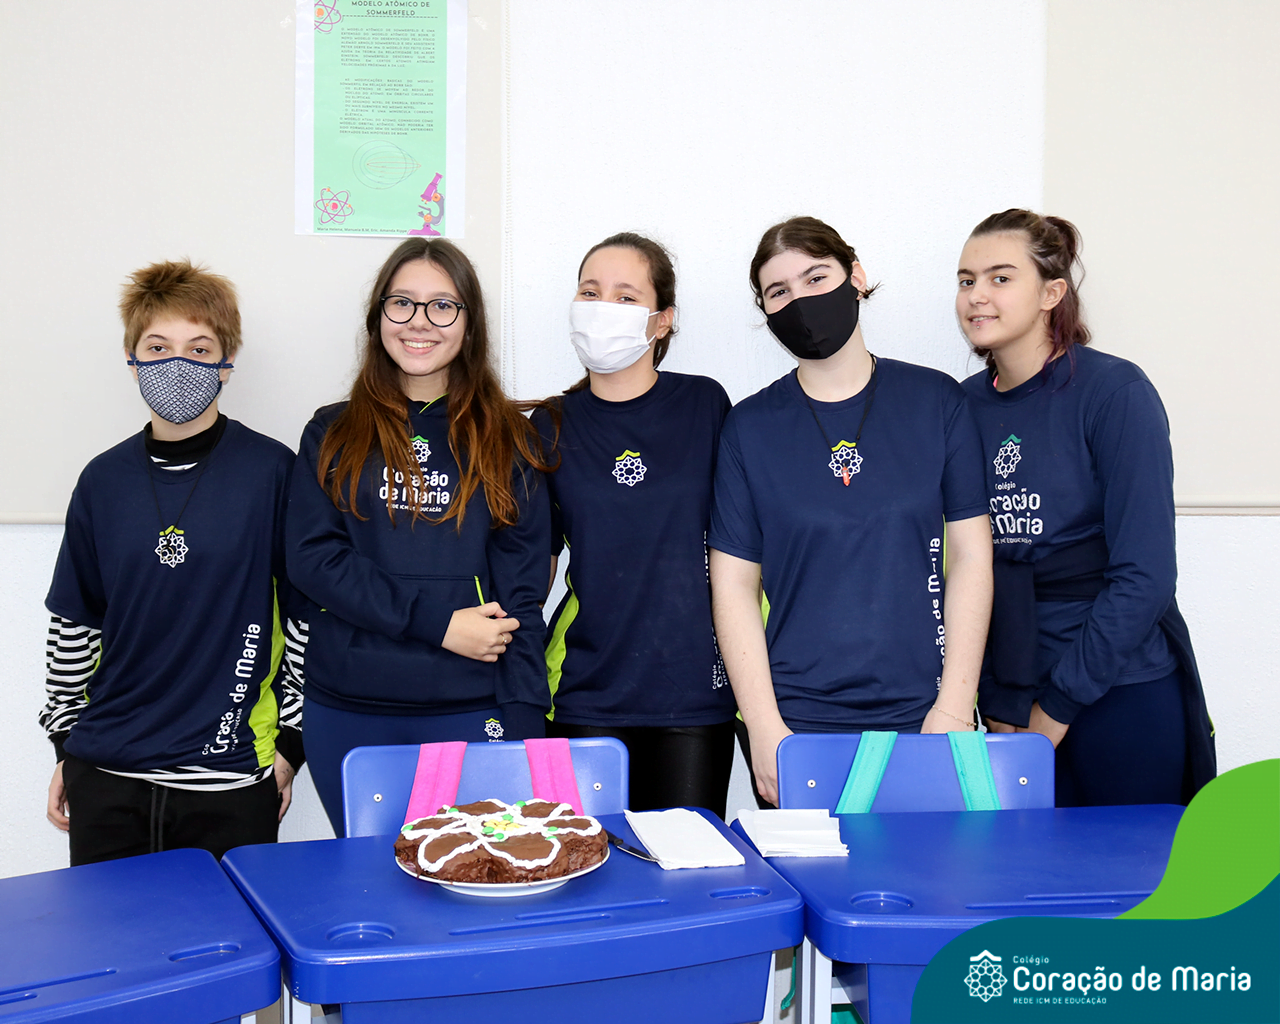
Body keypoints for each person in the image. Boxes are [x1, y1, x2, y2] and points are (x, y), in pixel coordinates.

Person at [709, 216, 994, 807]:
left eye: (816, 277)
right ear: (765, 311)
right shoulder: (749, 428)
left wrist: (953, 706)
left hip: (925, 714)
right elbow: (733, 585)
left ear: (856, 276)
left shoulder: (937, 401)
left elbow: (971, 556)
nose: (800, 300)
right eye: (778, 291)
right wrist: (764, 727)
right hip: (798, 724)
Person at [41, 260, 304, 865]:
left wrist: (292, 745)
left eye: (199, 348)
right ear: (132, 358)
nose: (177, 364)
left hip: (229, 778)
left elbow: (306, 619)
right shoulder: (103, 480)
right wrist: (67, 745)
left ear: (226, 362)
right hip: (107, 775)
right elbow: (74, 623)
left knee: (228, 929)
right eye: (158, 348)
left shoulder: (272, 472)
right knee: (112, 929)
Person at [287, 237, 551, 834]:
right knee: (370, 882)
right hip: (350, 710)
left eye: (443, 305)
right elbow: (314, 562)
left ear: (469, 323)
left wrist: (526, 717)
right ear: (378, 316)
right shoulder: (331, 431)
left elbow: (523, 591)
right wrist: (438, 624)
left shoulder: (511, 438)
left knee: (473, 879)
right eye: (402, 302)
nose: (419, 321)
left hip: (472, 708)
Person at [955, 208, 1215, 806]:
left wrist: (1056, 708)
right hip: (1010, 698)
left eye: (1000, 278)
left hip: (1118, 691)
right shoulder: (959, 407)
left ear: (1051, 293)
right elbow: (962, 569)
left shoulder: (1114, 393)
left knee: (1132, 867)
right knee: (1022, 867)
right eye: (966, 280)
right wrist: (994, 695)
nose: (976, 296)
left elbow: (1145, 576)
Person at [529, 233, 737, 817]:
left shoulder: (705, 405)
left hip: (694, 693)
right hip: (583, 692)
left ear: (662, 320)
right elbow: (534, 572)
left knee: (687, 866)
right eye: (590, 292)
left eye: (625, 297)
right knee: (584, 865)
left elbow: (744, 550)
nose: (603, 308)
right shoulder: (549, 425)